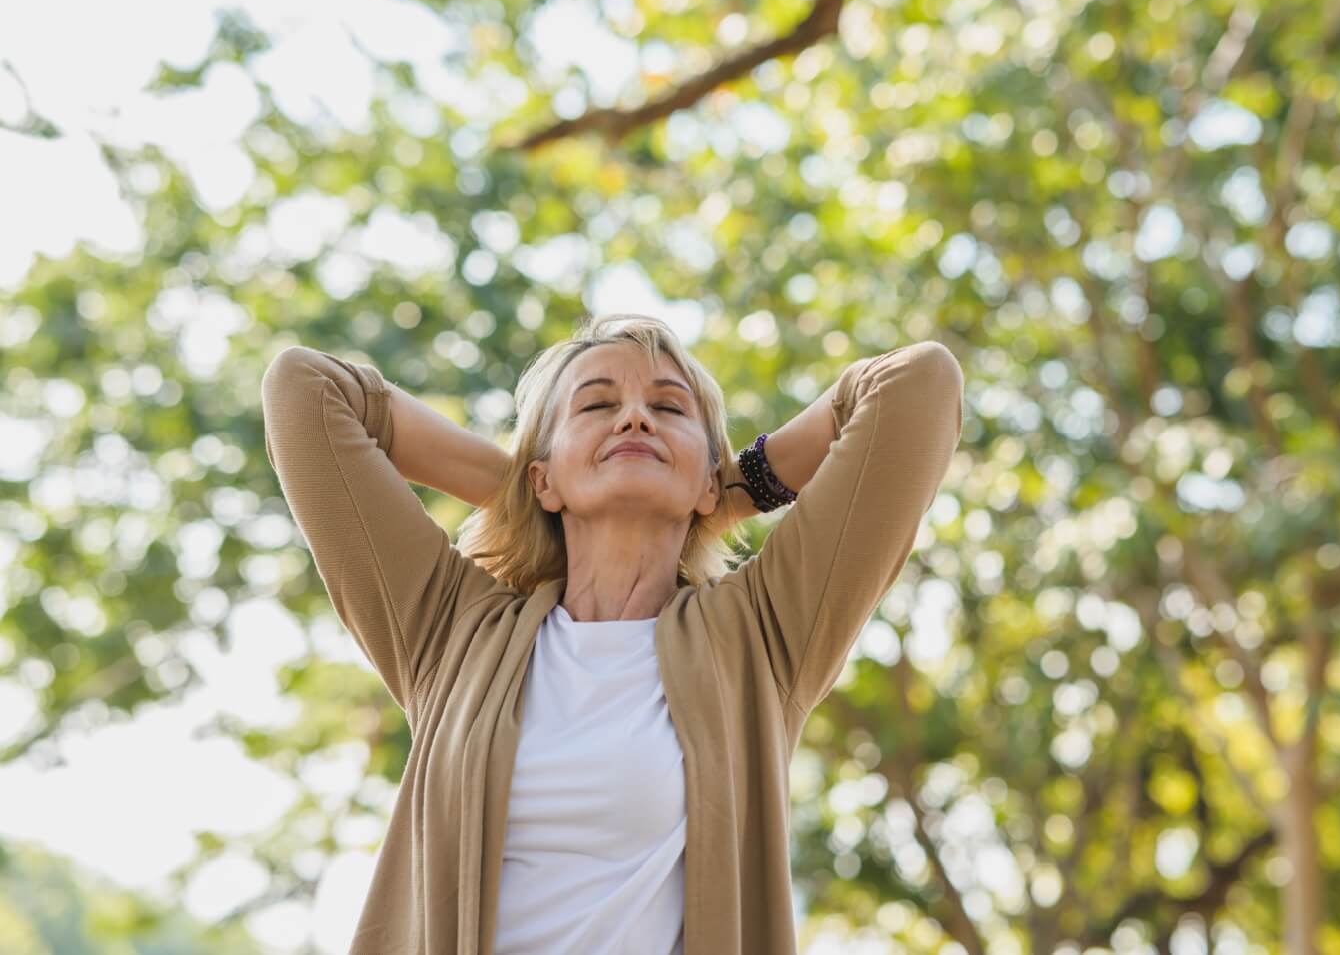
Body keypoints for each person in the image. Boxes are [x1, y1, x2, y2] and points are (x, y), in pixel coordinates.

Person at [260, 312, 964, 954]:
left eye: (667, 408)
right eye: (597, 405)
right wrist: (528, 493)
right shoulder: (451, 630)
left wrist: (726, 492)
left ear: (707, 480)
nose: (634, 419)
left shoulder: (761, 633)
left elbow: (917, 385)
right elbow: (306, 391)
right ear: (543, 478)